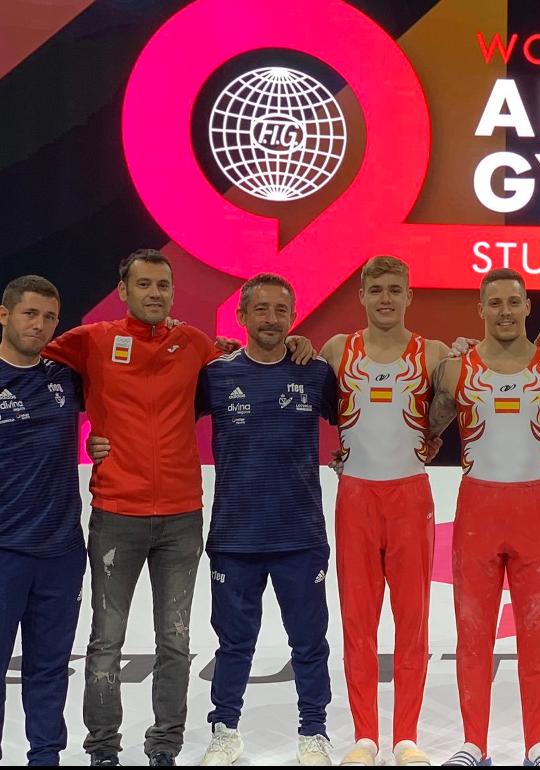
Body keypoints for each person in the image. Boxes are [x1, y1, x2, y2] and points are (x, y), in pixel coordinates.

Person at [70, 250, 312, 767]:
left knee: (175, 640)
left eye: (163, 285)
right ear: (123, 290)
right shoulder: (91, 339)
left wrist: (295, 342)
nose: (154, 293)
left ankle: (165, 745)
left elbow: (250, 356)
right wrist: (89, 438)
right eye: (144, 284)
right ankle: (103, 749)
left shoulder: (196, 344)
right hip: (116, 512)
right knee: (106, 640)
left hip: (181, 516)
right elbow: (34, 369)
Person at [425, 268, 540, 767]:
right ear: (481, 310)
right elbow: (425, 433)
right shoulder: (455, 370)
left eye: (514, 302)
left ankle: (538, 743)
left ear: (528, 306)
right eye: (495, 303)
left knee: (537, 632)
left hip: (534, 508)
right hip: (477, 511)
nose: (505, 311)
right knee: (473, 632)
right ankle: (475, 743)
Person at [189, 274, 338, 765]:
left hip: (301, 535)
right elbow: (162, 422)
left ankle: (314, 732)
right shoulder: (215, 375)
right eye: (261, 309)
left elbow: (360, 423)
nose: (271, 319)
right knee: (234, 642)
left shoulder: (316, 373)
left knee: (308, 642)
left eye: (280, 310)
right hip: (235, 537)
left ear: (293, 316)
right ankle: (225, 730)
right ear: (241, 316)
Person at [318, 256, 451, 768]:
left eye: (395, 289)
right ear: (362, 296)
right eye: (377, 290)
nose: (386, 299)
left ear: (409, 295)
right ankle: (365, 736)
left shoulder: (434, 353)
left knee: (411, 619)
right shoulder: (337, 350)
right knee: (358, 620)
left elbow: (454, 403)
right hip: (356, 497)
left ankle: (406, 737)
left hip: (410, 497)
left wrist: (435, 431)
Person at [0, 275, 86, 766]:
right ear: (4, 315)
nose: (40, 325)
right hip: (5, 552)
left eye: (49, 317)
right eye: (30, 313)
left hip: (61, 552)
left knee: (49, 667)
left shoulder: (65, 377)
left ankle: (45, 757)